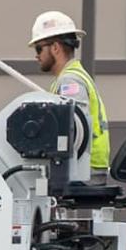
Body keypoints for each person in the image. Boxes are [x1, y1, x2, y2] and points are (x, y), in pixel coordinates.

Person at [29, 10, 110, 179]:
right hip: (87, 168)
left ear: (55, 48)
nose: (37, 56)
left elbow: (74, 130)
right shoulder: (72, 76)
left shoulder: (70, 82)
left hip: (83, 171)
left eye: (38, 48)